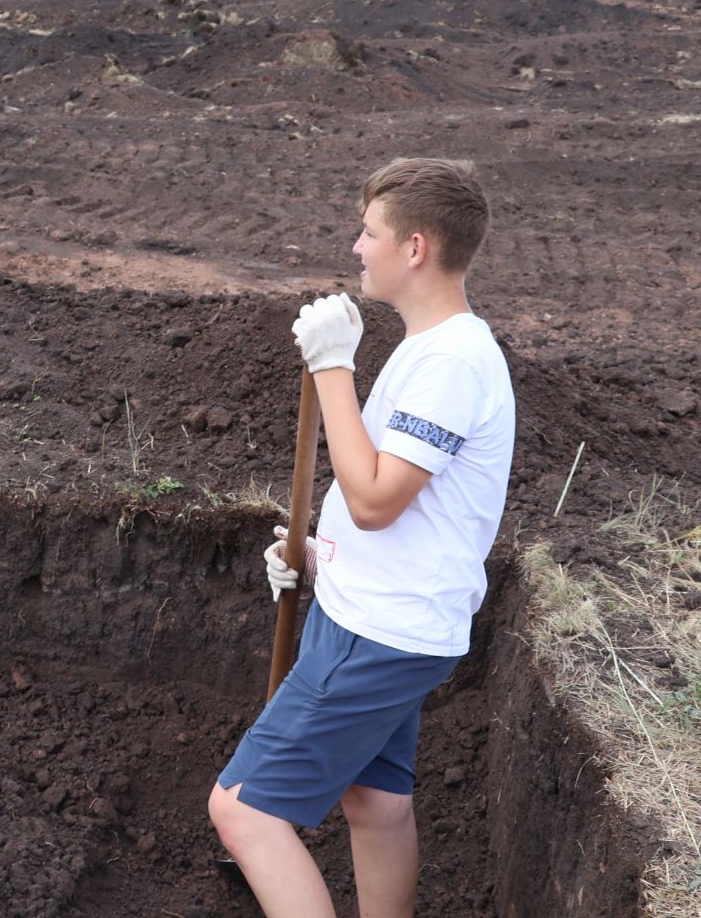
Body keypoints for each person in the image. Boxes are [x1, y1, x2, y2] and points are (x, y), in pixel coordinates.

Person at [207, 158, 515, 918]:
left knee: (243, 811)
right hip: (371, 613)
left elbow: (376, 499)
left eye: (368, 232)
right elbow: (384, 494)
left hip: (379, 635)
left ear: (415, 248)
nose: (356, 246)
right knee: (375, 805)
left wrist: (334, 365)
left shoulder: (453, 364)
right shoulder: (429, 346)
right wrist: (319, 554)